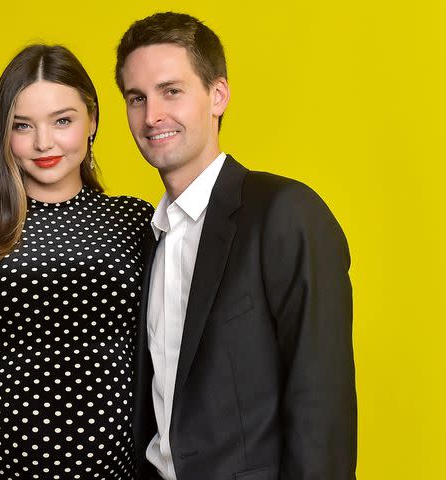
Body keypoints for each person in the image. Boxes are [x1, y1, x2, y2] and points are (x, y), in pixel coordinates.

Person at [114, 12, 357, 480]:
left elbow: (322, 410)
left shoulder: (284, 213)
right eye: (136, 98)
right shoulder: (150, 239)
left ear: (217, 95)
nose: (152, 116)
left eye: (172, 91)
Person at [0, 44, 153, 480]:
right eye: (23, 125)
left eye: (63, 120)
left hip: (115, 470)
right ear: (4, 131)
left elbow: (170, 361)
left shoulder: (135, 221)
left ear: (92, 119)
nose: (44, 143)